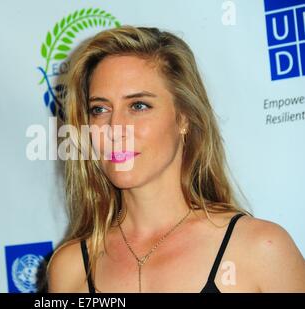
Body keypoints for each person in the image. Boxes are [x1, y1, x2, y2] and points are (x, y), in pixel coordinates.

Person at [46, 26, 305, 292]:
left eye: (138, 106)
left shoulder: (259, 250)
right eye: (99, 109)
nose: (115, 128)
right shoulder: (71, 269)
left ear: (183, 118)